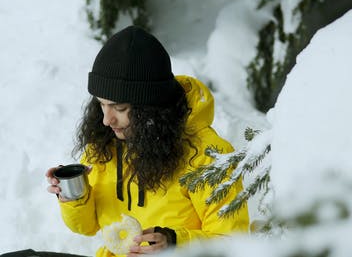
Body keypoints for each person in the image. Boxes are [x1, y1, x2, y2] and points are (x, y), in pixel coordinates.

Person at [41, 25, 248, 256]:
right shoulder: (105, 145)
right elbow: (86, 226)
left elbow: (232, 243)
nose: (106, 120)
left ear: (151, 109)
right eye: (101, 104)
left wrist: (175, 243)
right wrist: (73, 194)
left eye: (119, 108)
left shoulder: (207, 154)